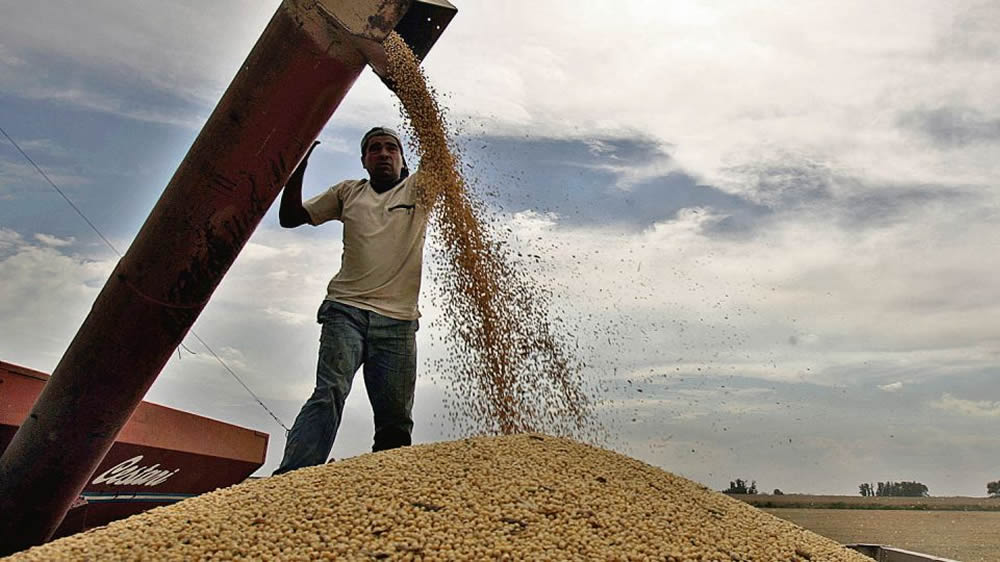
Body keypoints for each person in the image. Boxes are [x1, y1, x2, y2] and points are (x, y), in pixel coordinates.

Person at [273, 127, 427, 475]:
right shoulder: (348, 192)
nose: (383, 154)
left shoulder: (418, 188)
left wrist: (408, 95)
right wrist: (297, 164)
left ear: (403, 160)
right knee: (329, 392)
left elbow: (437, 146)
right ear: (364, 160)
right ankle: (292, 478)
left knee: (395, 420)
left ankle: (385, 484)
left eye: (391, 148)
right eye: (374, 149)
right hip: (346, 310)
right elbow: (290, 217)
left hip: (398, 321)